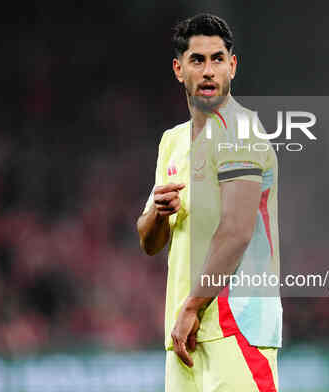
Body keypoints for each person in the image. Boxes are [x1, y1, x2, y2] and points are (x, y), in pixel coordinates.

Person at [137, 13, 282, 392]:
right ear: (178, 68)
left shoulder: (241, 132)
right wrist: (157, 211)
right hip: (185, 337)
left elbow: (235, 231)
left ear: (232, 66)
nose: (208, 70)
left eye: (217, 59)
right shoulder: (172, 142)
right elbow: (150, 242)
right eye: (197, 60)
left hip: (236, 330)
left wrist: (190, 307)